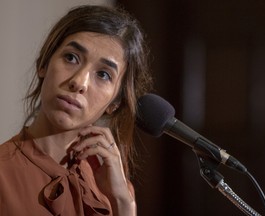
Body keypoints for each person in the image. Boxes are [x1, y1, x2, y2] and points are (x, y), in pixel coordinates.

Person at [0, 4, 152, 216]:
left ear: (114, 103)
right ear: (43, 64)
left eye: (103, 75)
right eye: (71, 58)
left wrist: (124, 204)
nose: (79, 82)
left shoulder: (115, 189)